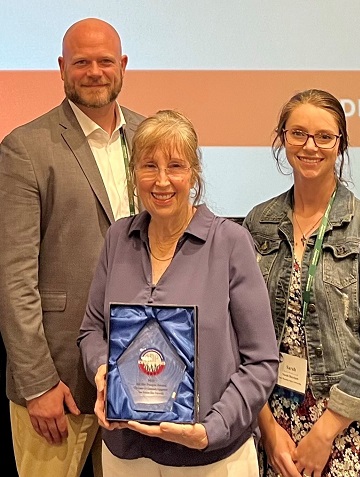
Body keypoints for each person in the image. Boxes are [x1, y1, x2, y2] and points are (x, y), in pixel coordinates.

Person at [77, 109, 279, 476]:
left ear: (194, 175)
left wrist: (210, 431)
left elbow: (261, 362)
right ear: (134, 173)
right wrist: (103, 370)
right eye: (149, 166)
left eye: (175, 166)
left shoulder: (230, 243)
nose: (162, 181)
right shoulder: (117, 239)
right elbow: (91, 330)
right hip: (126, 454)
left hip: (210, 459)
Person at [0, 18, 144, 477]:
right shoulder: (25, 149)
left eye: (105, 61)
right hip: (57, 381)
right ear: (62, 68)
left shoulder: (150, 137)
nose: (94, 72)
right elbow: (14, 278)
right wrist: (37, 382)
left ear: (122, 66)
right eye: (81, 62)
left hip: (143, 372)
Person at [243, 89, 360, 477]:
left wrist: (325, 433)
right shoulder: (257, 223)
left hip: (349, 423)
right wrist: (268, 430)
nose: (310, 146)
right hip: (273, 422)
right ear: (282, 138)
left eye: (324, 137)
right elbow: (240, 333)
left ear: (340, 144)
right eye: (298, 133)